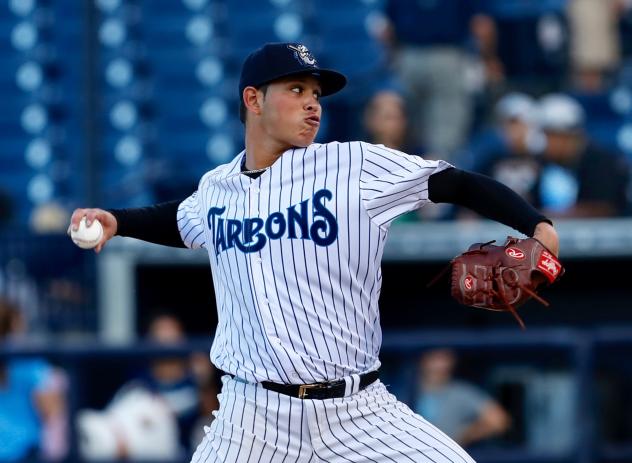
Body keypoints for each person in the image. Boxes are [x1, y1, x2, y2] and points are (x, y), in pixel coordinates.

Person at [69, 42, 559, 462]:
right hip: (251, 420)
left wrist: (538, 226)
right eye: (297, 91)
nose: (313, 105)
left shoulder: (354, 165)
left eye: (317, 95)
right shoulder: (216, 188)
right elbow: (180, 220)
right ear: (253, 99)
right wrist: (119, 220)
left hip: (359, 411)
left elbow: (455, 182)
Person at [533, 94, 629, 217]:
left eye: (553, 136)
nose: (549, 142)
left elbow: (605, 208)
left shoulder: (602, 163)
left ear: (573, 135)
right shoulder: (542, 162)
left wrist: (548, 217)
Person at [0, 298, 68, 462]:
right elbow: (52, 414)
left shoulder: (31, 365)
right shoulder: (31, 366)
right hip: (26, 454)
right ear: (15, 325)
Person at [414, 349, 511, 448]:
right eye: (434, 358)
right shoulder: (405, 389)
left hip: (446, 456)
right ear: (423, 360)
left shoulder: (461, 392)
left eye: (444, 358)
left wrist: (465, 434)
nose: (439, 365)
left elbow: (499, 420)